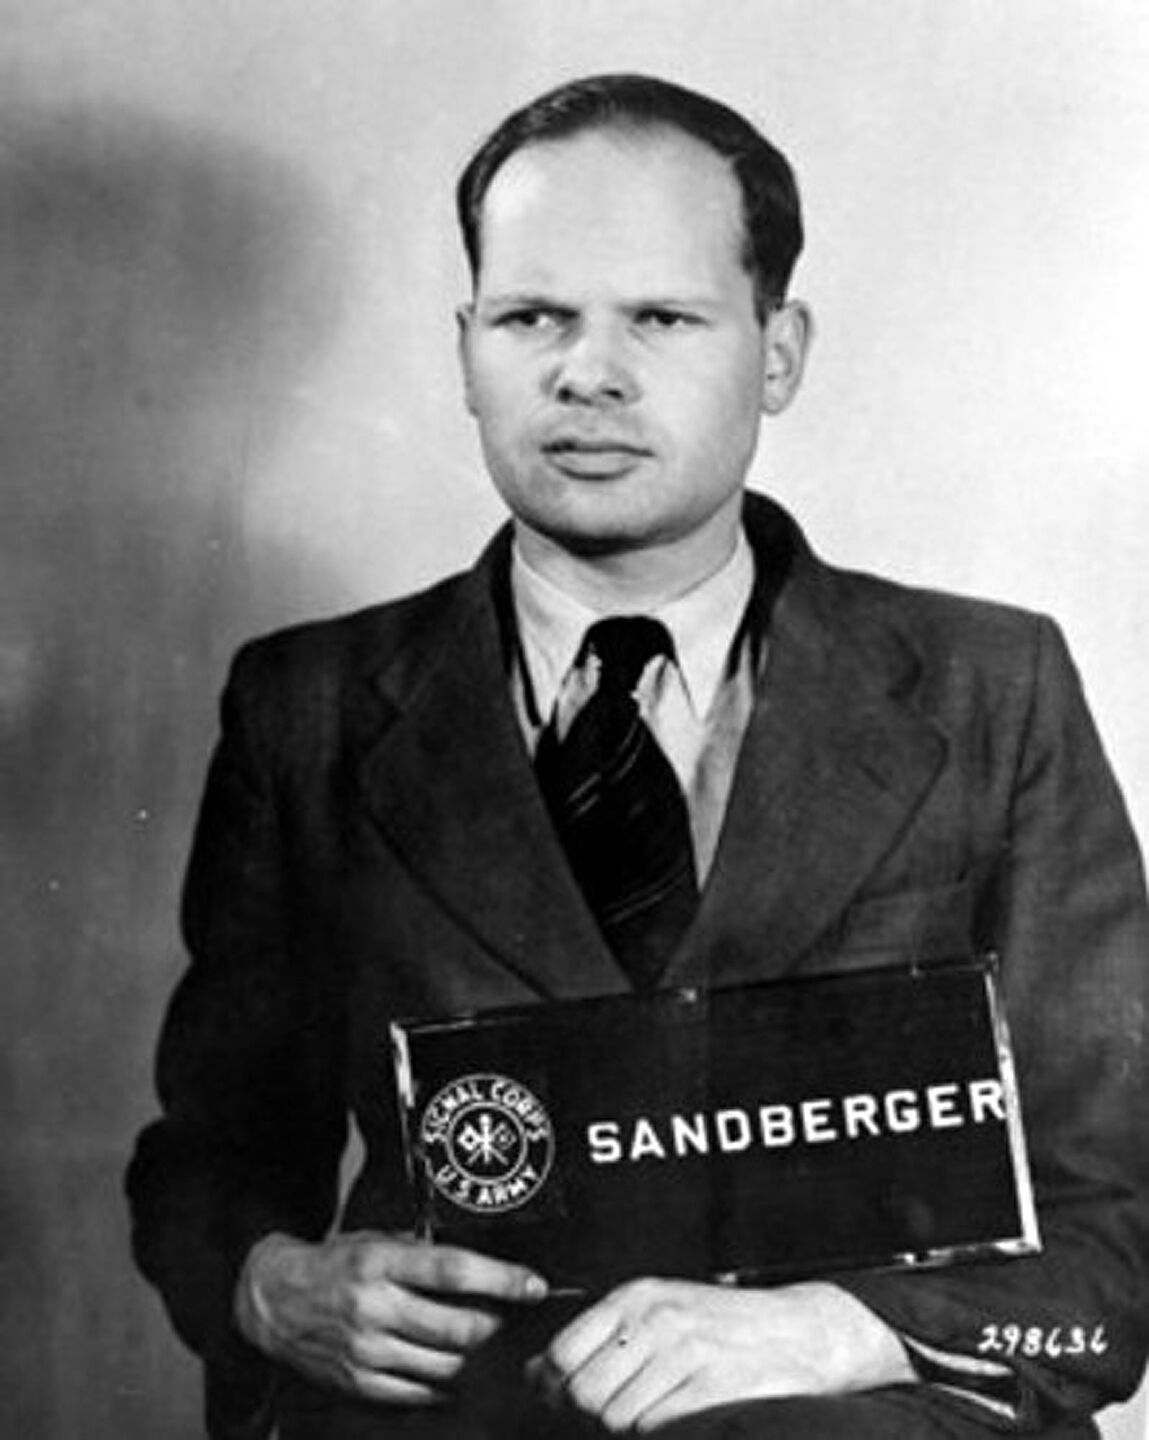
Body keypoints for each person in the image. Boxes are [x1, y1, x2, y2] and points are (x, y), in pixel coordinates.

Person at [126, 74, 1149, 1440]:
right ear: (466, 351)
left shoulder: (991, 689)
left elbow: (1112, 1230)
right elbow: (212, 1160)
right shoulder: (306, 707)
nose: (586, 373)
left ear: (778, 352)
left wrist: (837, 1332)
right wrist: (271, 1285)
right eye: (531, 316)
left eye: (661, 318)